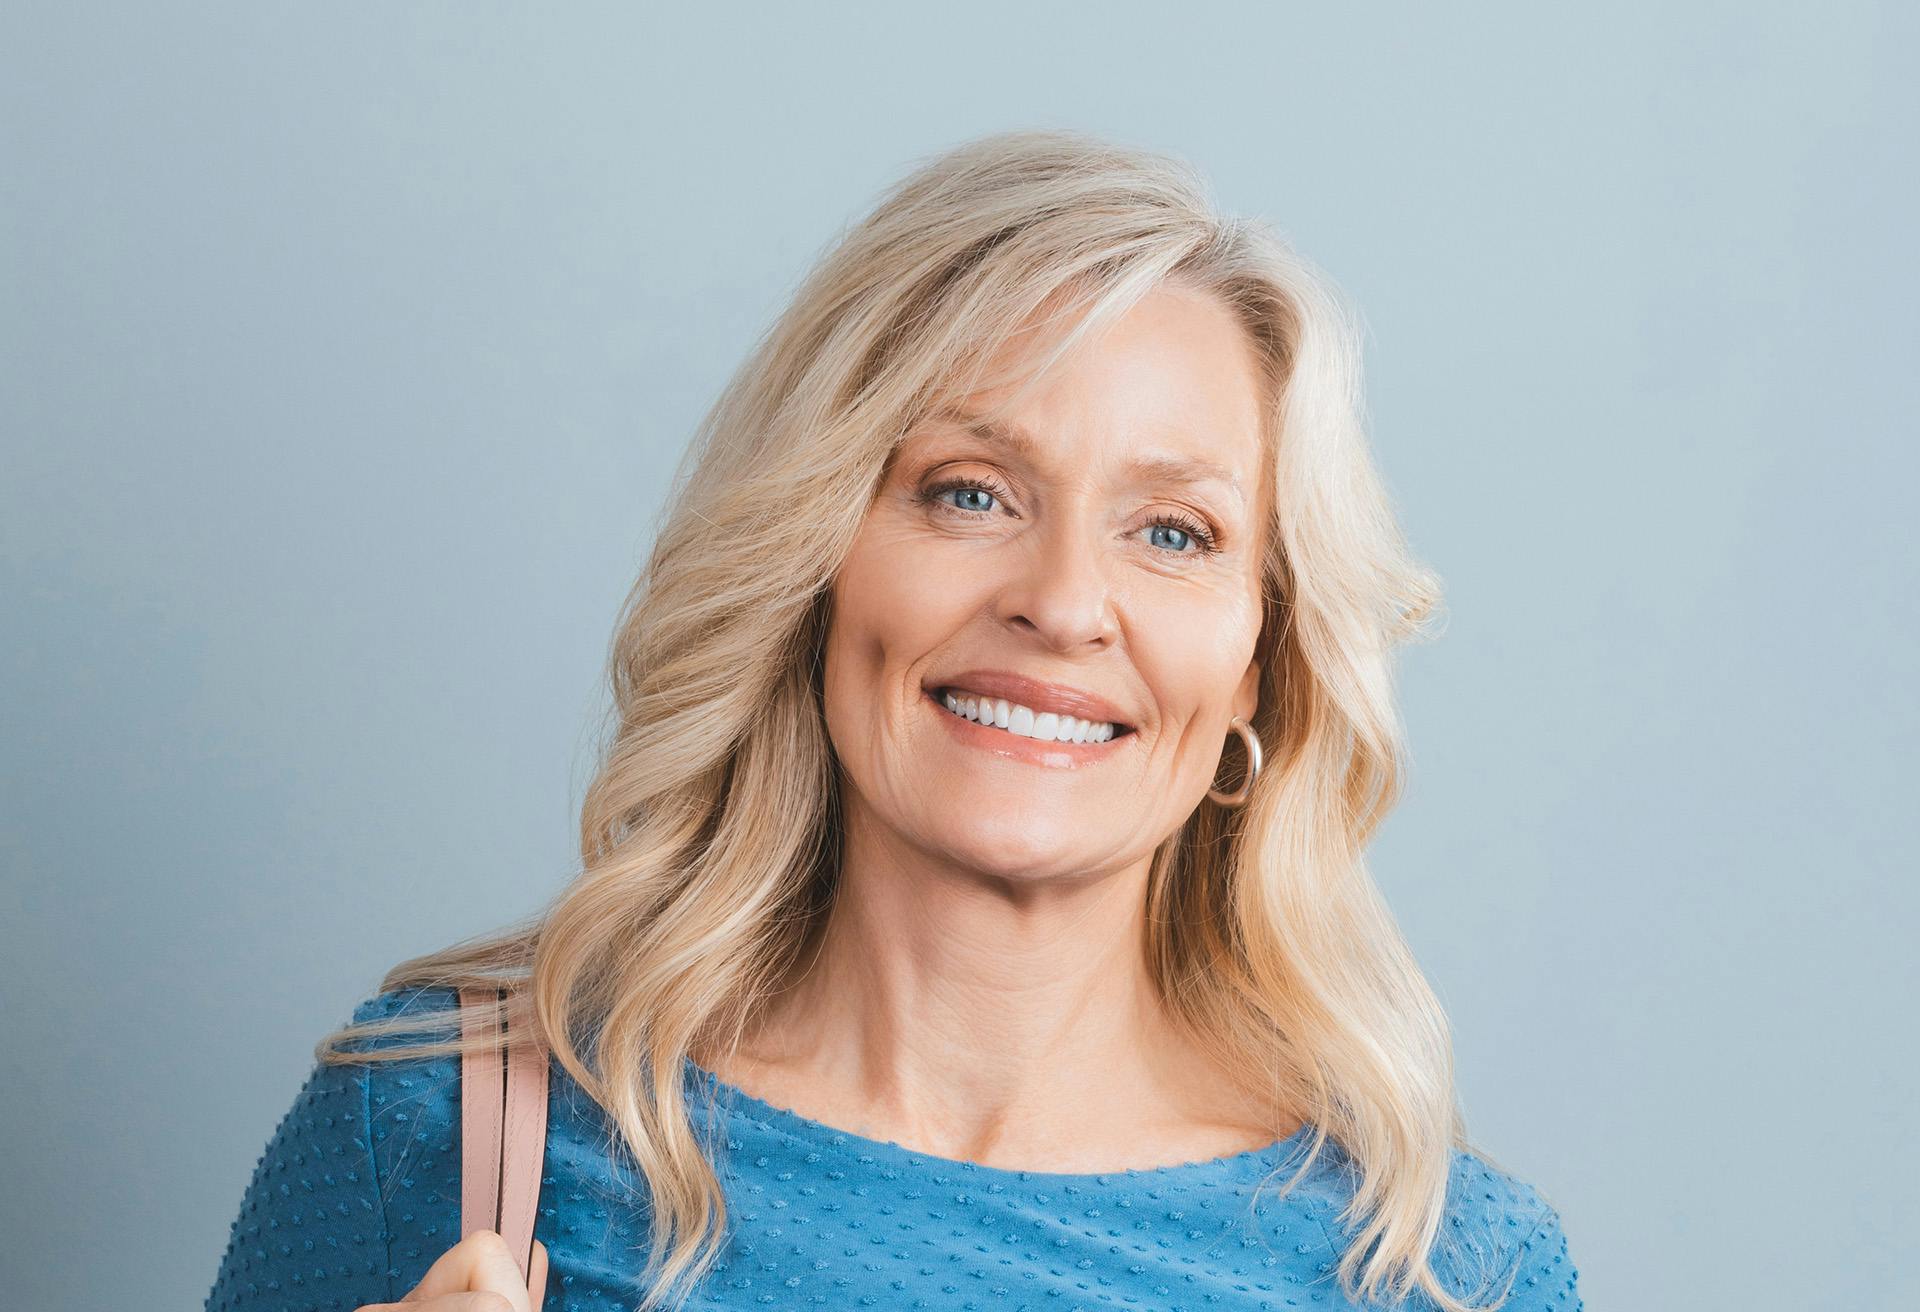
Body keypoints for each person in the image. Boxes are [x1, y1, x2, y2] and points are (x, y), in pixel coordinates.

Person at [204, 128, 1582, 1312]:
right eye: (969, 491)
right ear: (815, 559)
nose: (1063, 603)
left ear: (1261, 666)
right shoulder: (443, 1132)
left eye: (1173, 531)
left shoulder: (1441, 1272)